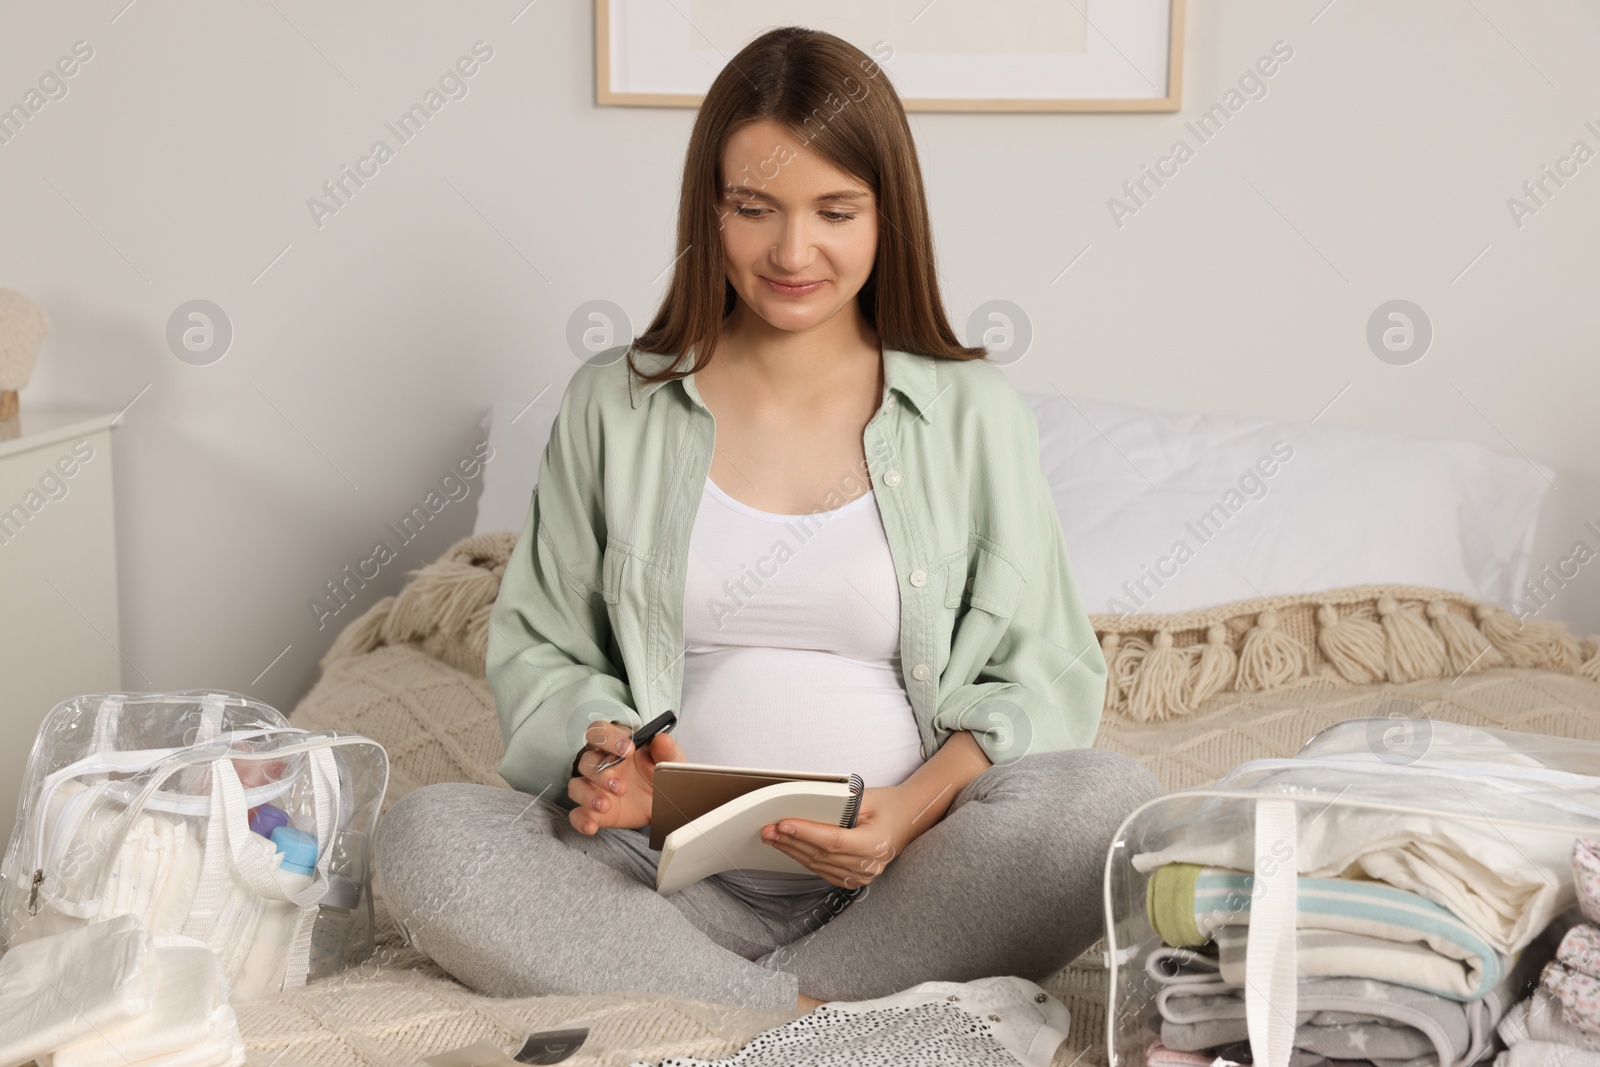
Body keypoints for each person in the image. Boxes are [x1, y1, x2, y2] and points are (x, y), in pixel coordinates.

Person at [373, 25, 1163, 1017]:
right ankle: (814, 1022)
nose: (793, 252)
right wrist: (607, 758)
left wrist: (905, 812)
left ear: (888, 217)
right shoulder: (614, 403)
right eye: (755, 209)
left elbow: (1046, 670)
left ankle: (719, 1013)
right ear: (710, 211)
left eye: (835, 211)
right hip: (658, 874)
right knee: (425, 837)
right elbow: (543, 646)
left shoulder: (971, 412)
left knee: (1109, 799)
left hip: (907, 879)